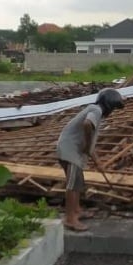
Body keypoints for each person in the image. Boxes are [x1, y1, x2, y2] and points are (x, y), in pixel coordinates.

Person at [56, 88, 125, 231]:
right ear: (109, 105)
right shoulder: (96, 110)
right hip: (70, 150)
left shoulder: (94, 111)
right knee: (73, 185)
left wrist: (98, 162)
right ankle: (70, 219)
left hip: (71, 150)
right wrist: (87, 144)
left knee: (78, 183)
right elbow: (87, 125)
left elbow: (90, 147)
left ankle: (77, 211)